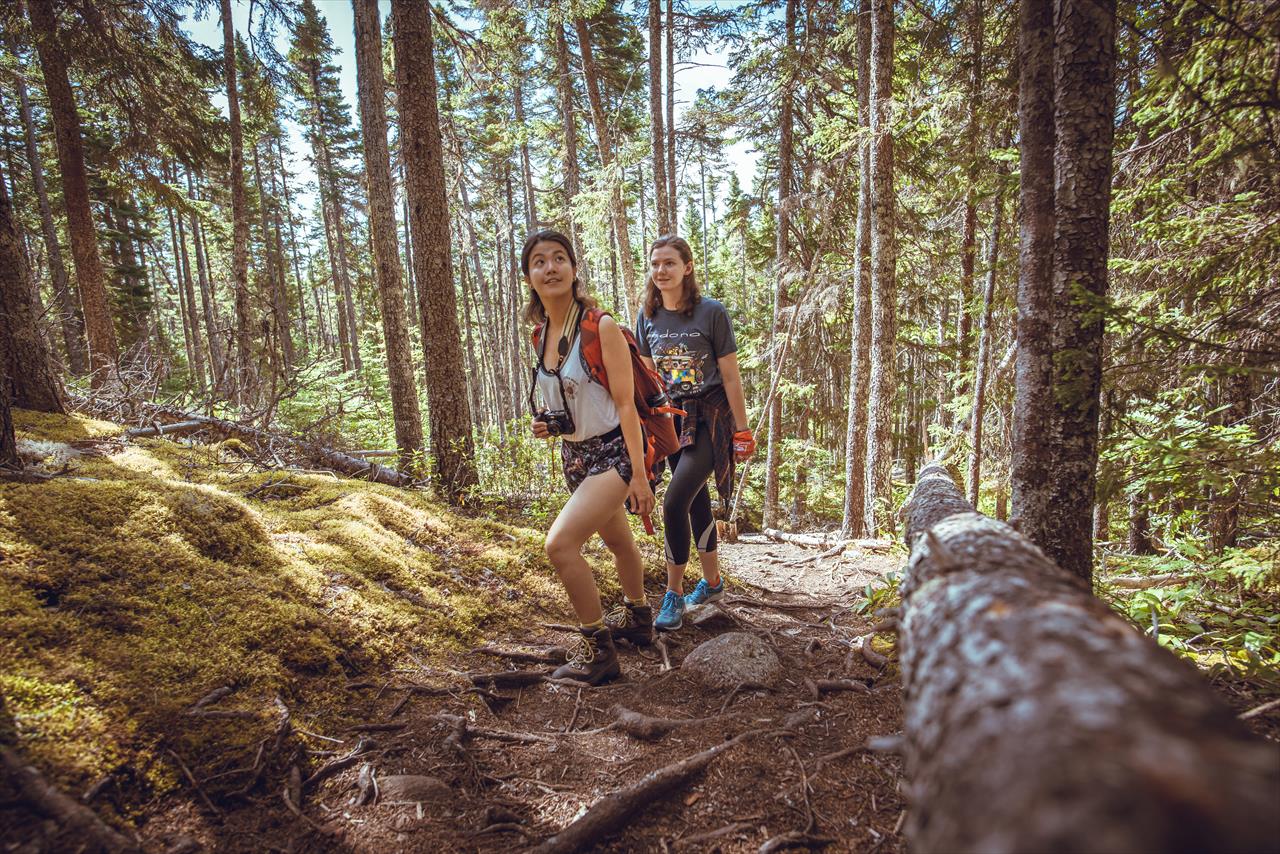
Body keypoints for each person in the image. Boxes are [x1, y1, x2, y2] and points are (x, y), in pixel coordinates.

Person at [524, 229, 656, 684]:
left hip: (615, 453)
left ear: (574, 270)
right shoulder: (541, 335)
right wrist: (548, 423)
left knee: (559, 546)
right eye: (539, 261)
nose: (551, 267)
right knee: (619, 542)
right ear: (529, 277)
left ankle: (598, 650)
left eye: (559, 258)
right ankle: (639, 620)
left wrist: (639, 477)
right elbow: (570, 400)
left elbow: (625, 406)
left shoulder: (600, 326)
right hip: (574, 456)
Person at [635, 235, 755, 631]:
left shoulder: (711, 313)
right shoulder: (647, 316)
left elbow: (732, 376)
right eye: (655, 264)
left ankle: (673, 594)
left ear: (687, 267)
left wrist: (742, 430)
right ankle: (712, 582)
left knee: (674, 500)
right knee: (696, 498)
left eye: (669, 263)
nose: (660, 271)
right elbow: (648, 377)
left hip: (710, 417)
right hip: (669, 418)